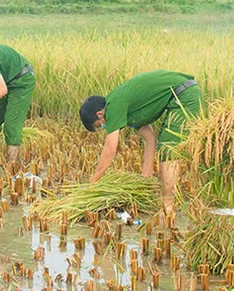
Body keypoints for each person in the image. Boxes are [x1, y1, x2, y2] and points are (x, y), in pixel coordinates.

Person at [78, 69, 204, 215]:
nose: (104, 127)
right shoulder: (129, 112)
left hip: (185, 95)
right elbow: (150, 139)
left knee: (168, 148)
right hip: (183, 94)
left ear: (100, 114)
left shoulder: (113, 104)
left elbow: (110, 148)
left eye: (100, 125)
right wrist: (144, 179)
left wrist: (94, 182)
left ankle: (168, 208)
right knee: (164, 146)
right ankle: (166, 206)